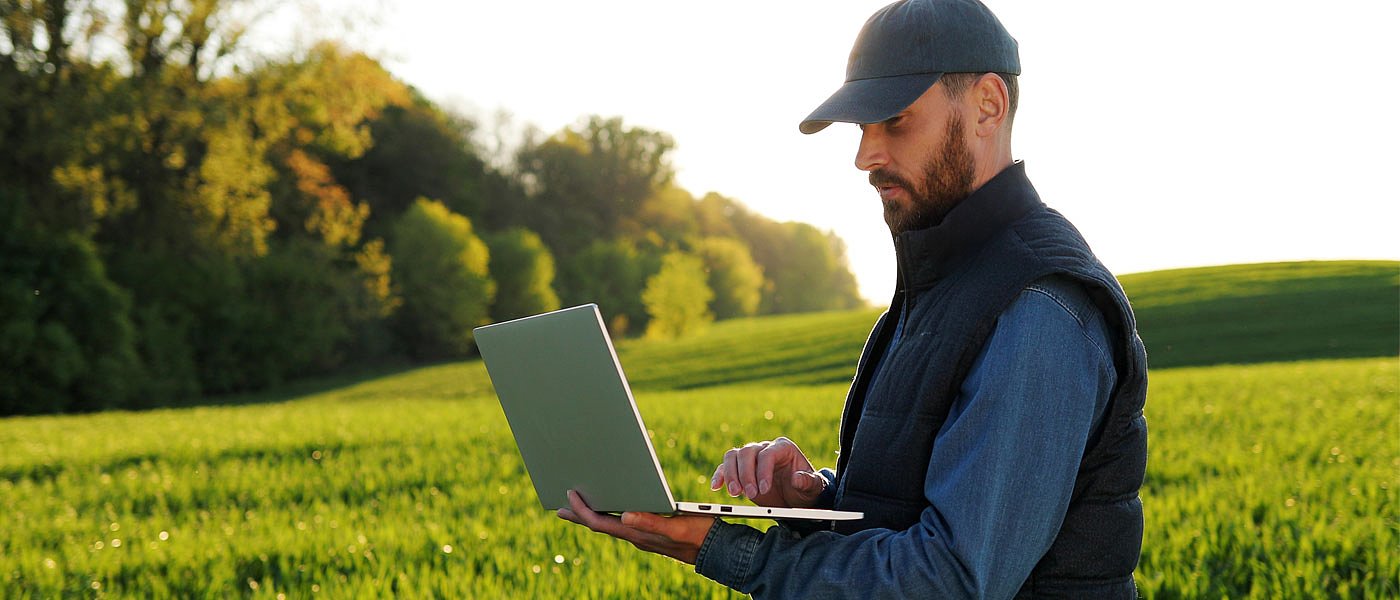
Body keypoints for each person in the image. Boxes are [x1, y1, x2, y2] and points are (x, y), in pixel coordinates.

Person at [557, 0, 1149, 597]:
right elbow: (916, 511)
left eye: (893, 121)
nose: (866, 155)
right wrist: (816, 498)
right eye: (862, 129)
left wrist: (726, 550)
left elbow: (948, 581)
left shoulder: (1042, 305)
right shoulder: (945, 285)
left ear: (987, 106)